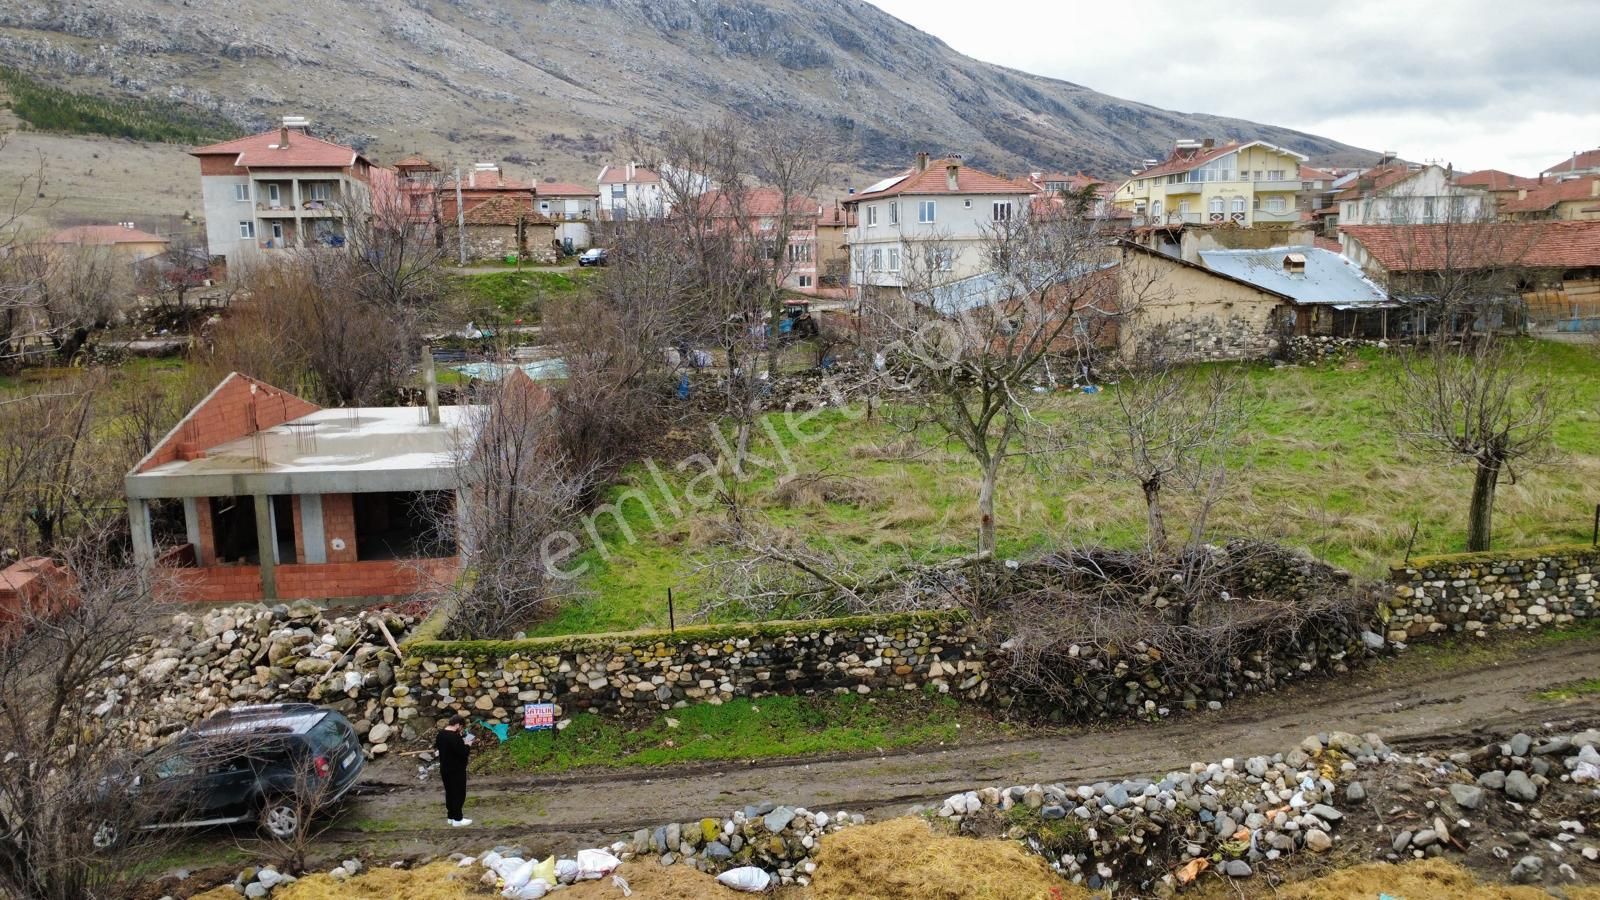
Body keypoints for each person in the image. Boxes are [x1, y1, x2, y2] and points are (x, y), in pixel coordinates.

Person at [435, 715, 475, 827]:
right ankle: (458, 819)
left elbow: (449, 749)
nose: (461, 730)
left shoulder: (441, 734)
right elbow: (463, 752)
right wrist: (468, 743)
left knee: (450, 793)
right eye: (461, 727)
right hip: (456, 770)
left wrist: (461, 740)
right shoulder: (454, 737)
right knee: (458, 793)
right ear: (457, 725)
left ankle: (451, 816)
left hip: (444, 768)